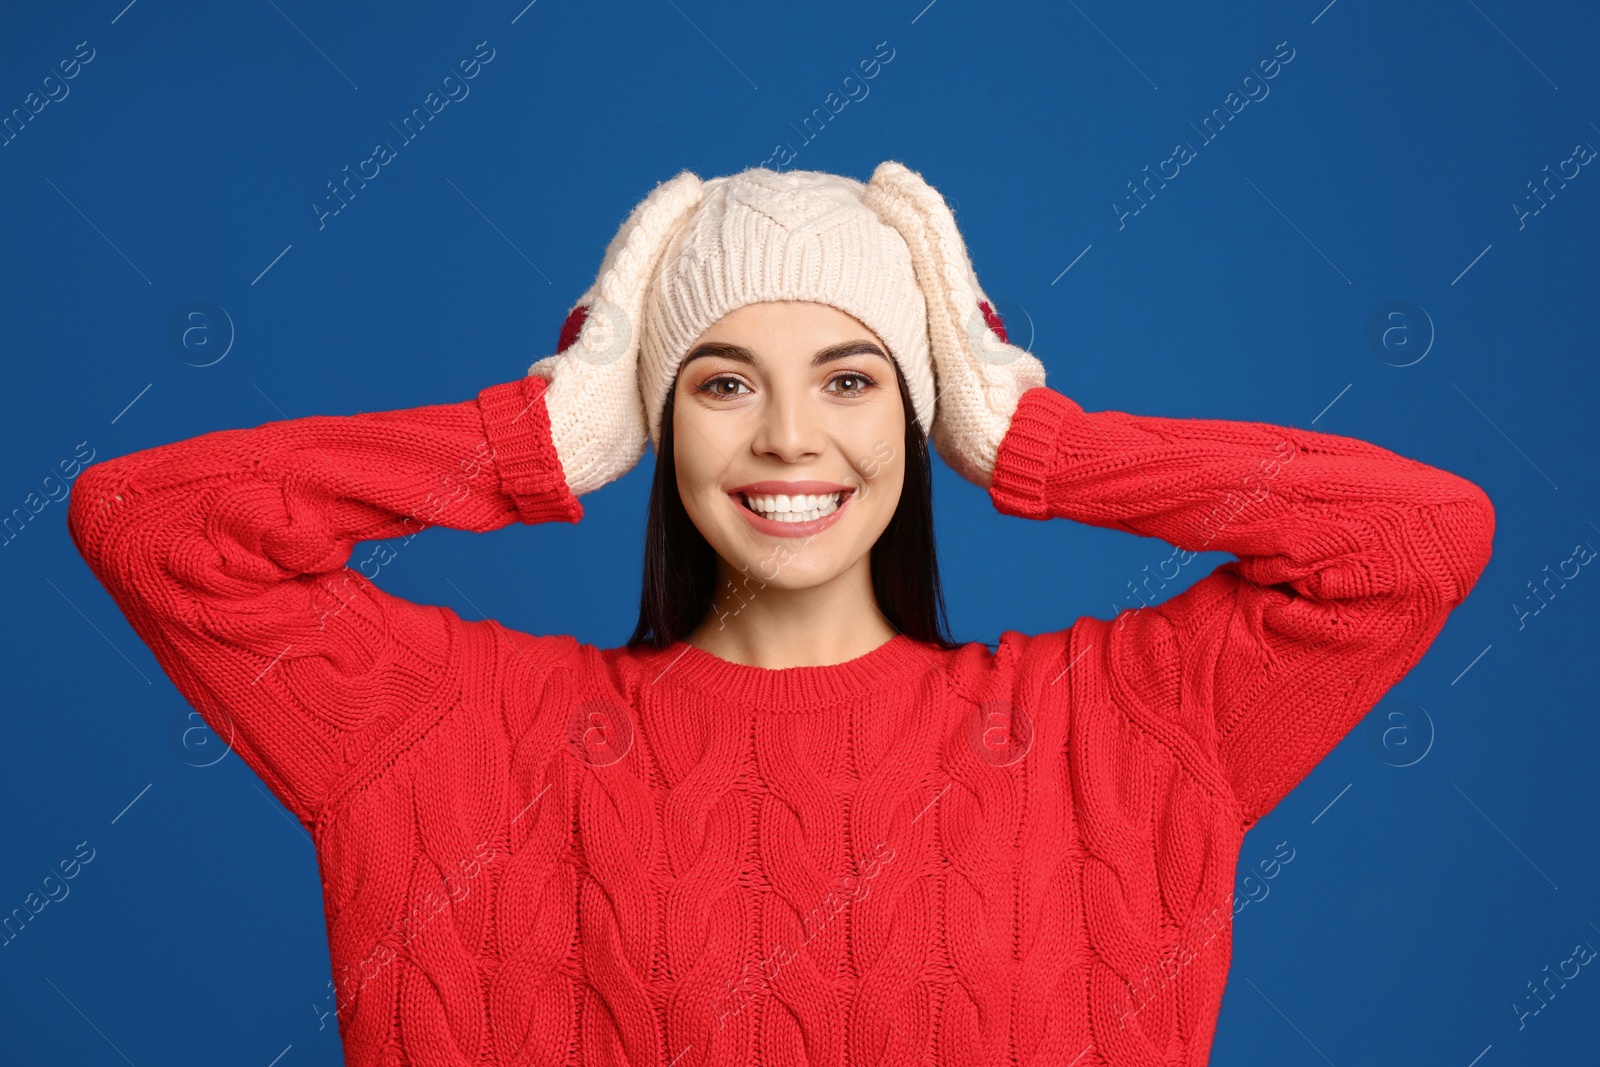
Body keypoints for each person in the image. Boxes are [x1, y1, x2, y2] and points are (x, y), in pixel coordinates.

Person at [67, 162, 1494, 1065]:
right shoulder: (458, 736)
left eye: (856, 377)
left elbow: (1417, 538)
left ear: (925, 403)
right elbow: (149, 524)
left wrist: (1037, 442)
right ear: (654, 418)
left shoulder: (1115, 731)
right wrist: (538, 441)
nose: (789, 440)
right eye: (724, 380)